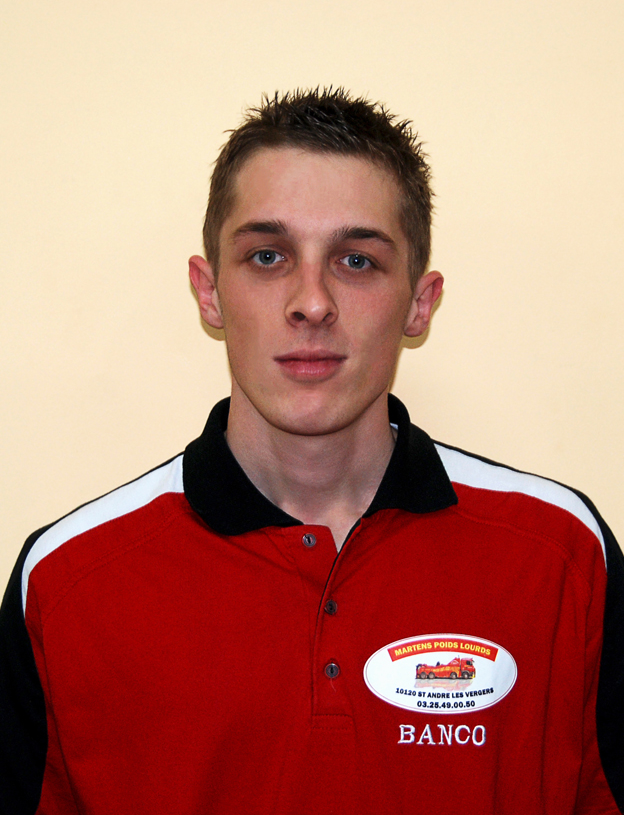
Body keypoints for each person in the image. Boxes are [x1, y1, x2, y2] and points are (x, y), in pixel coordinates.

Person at [1, 88, 622, 814]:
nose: (312, 302)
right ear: (209, 292)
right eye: (268, 256)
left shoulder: (561, 555)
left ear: (420, 302)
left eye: (356, 260)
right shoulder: (66, 581)